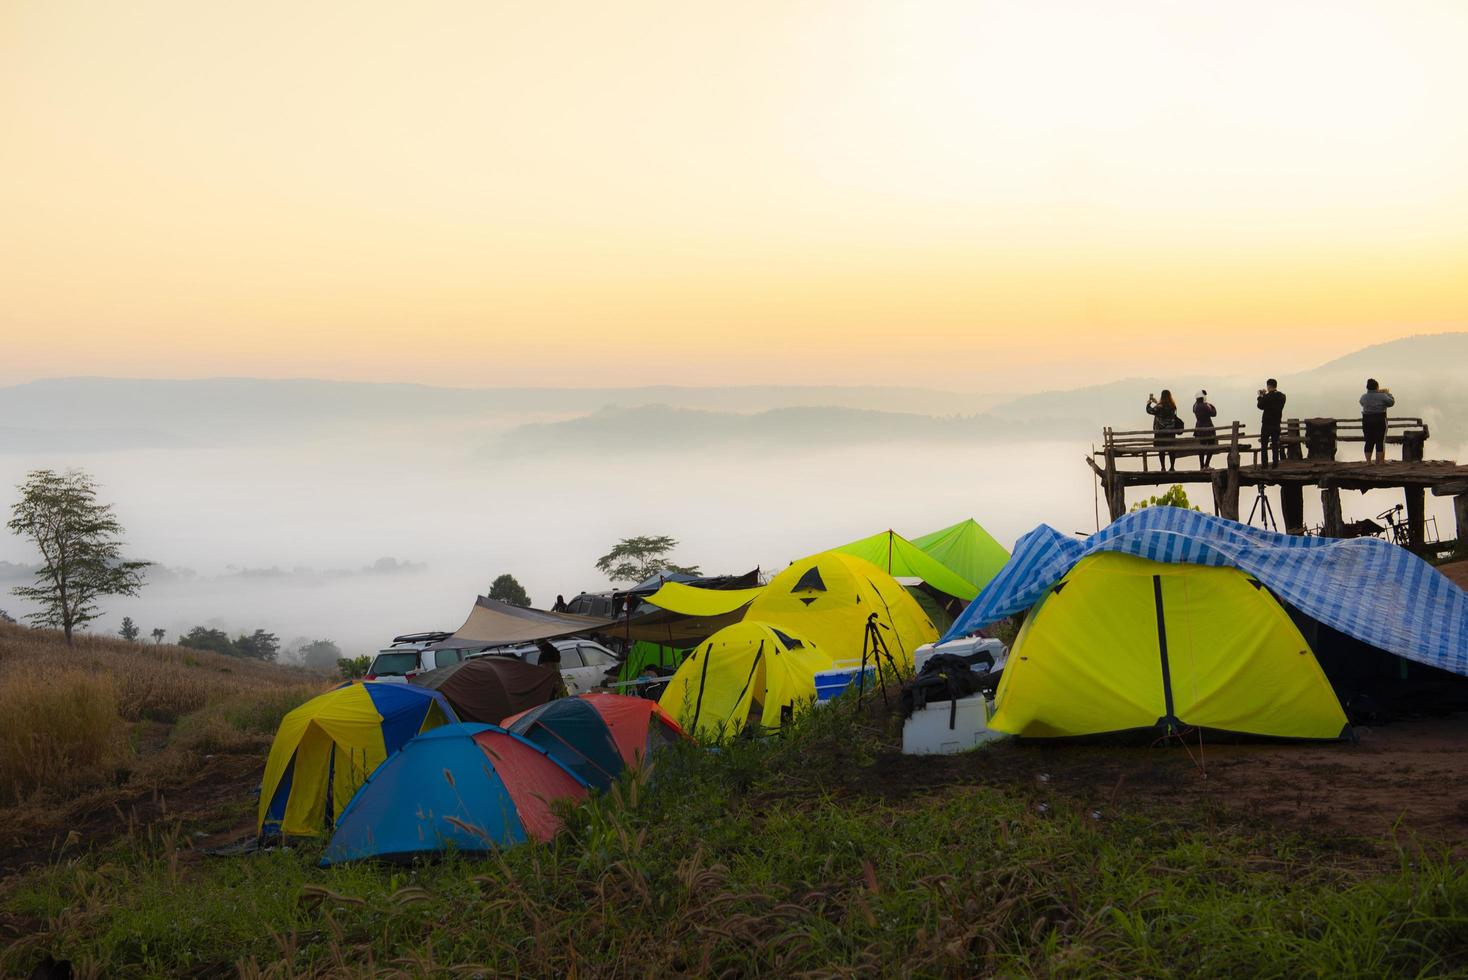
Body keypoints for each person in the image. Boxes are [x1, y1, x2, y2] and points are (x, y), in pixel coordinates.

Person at [1359, 378, 1394, 463]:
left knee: (1368, 441)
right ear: (1377, 387)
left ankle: (1368, 462)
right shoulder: (1382, 396)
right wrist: (1387, 393)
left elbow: (1361, 403)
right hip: (1380, 419)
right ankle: (1381, 462)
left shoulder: (1363, 397)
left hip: (1366, 419)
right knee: (1380, 440)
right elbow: (1391, 402)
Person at [1145, 389, 1181, 471]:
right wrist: (1157, 402)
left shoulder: (1159, 406)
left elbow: (1150, 411)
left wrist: (1149, 403)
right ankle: (1172, 467)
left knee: (1161, 450)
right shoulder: (1173, 406)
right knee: (1171, 450)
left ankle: (1163, 467)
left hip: (1160, 432)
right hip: (1171, 432)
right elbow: (1164, 409)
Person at [1256, 379, 1286, 467]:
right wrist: (1265, 395)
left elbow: (1260, 406)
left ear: (1268, 386)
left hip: (1266, 424)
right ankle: (1275, 464)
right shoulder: (1282, 396)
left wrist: (1261, 396)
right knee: (1275, 444)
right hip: (1276, 423)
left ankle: (1264, 465)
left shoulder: (1267, 397)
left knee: (1264, 445)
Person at [1192, 390, 1217, 469]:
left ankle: (1202, 466)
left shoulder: (1195, 406)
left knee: (1202, 447)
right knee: (1211, 446)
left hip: (1199, 427)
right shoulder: (1205, 405)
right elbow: (1213, 413)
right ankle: (1206, 465)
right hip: (1207, 427)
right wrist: (1212, 406)